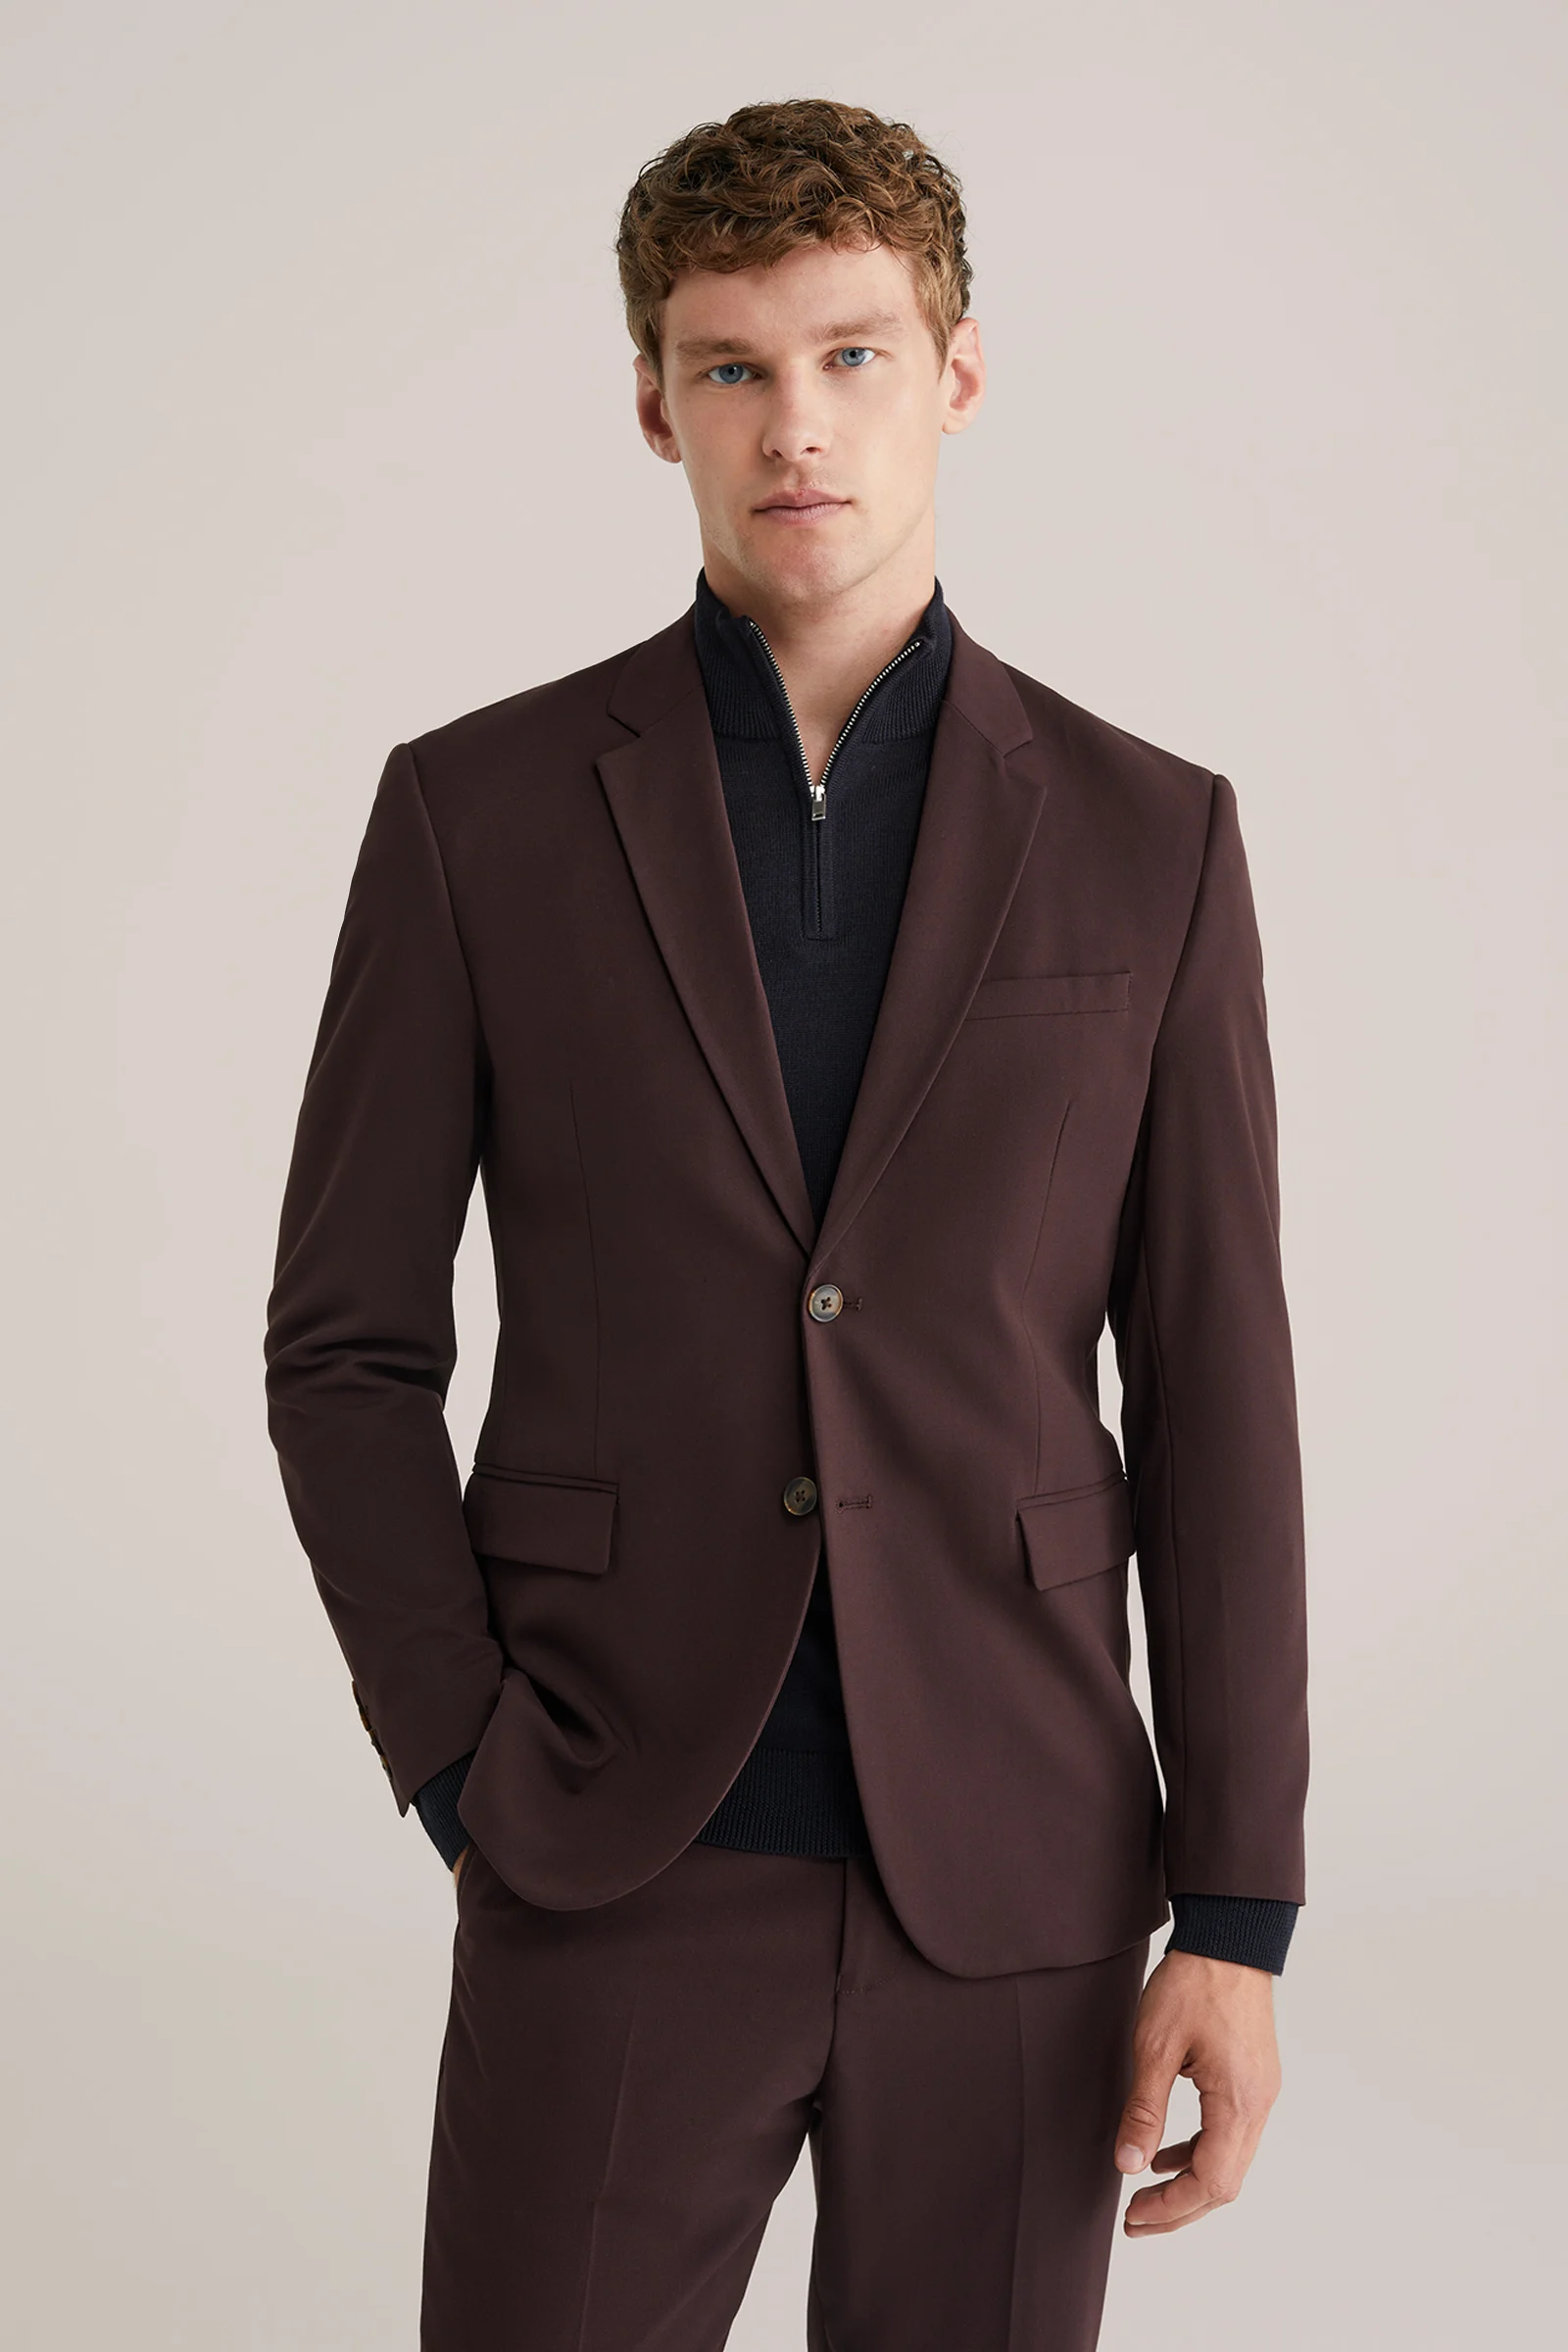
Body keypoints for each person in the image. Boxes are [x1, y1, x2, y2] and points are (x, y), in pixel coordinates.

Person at [264, 95, 1308, 2352]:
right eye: (728, 367)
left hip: (1017, 1871)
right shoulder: (474, 816)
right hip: (611, 1835)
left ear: (955, 372)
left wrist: (1234, 1910)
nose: (793, 425)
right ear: (654, 405)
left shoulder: (1151, 837)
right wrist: (460, 1763)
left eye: (849, 355)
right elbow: (344, 1344)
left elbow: (1215, 1388)